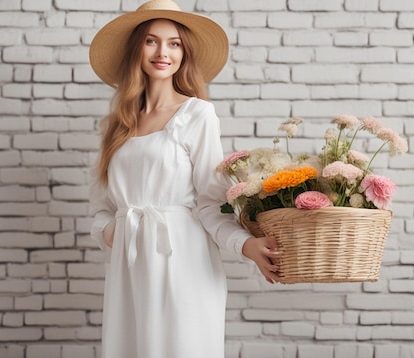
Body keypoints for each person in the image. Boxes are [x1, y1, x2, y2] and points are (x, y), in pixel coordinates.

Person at [88, 1, 280, 357]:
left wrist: (245, 245)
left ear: (184, 53)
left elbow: (211, 201)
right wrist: (118, 231)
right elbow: (102, 209)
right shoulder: (116, 126)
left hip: (183, 262)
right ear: (136, 49)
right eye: (151, 41)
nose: (163, 52)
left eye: (174, 43)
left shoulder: (197, 115)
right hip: (130, 268)